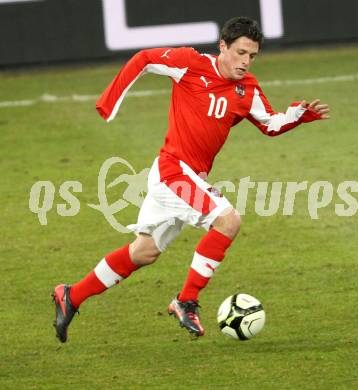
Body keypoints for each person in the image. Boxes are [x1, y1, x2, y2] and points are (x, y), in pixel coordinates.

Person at [52, 16, 330, 342]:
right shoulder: (190, 64)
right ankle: (186, 300)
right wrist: (109, 102)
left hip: (184, 178)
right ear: (223, 46)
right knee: (228, 220)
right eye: (240, 52)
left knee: (143, 252)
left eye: (252, 56)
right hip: (173, 171)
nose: (245, 61)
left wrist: (298, 115)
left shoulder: (247, 88)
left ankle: (71, 295)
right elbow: (143, 59)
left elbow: (269, 123)